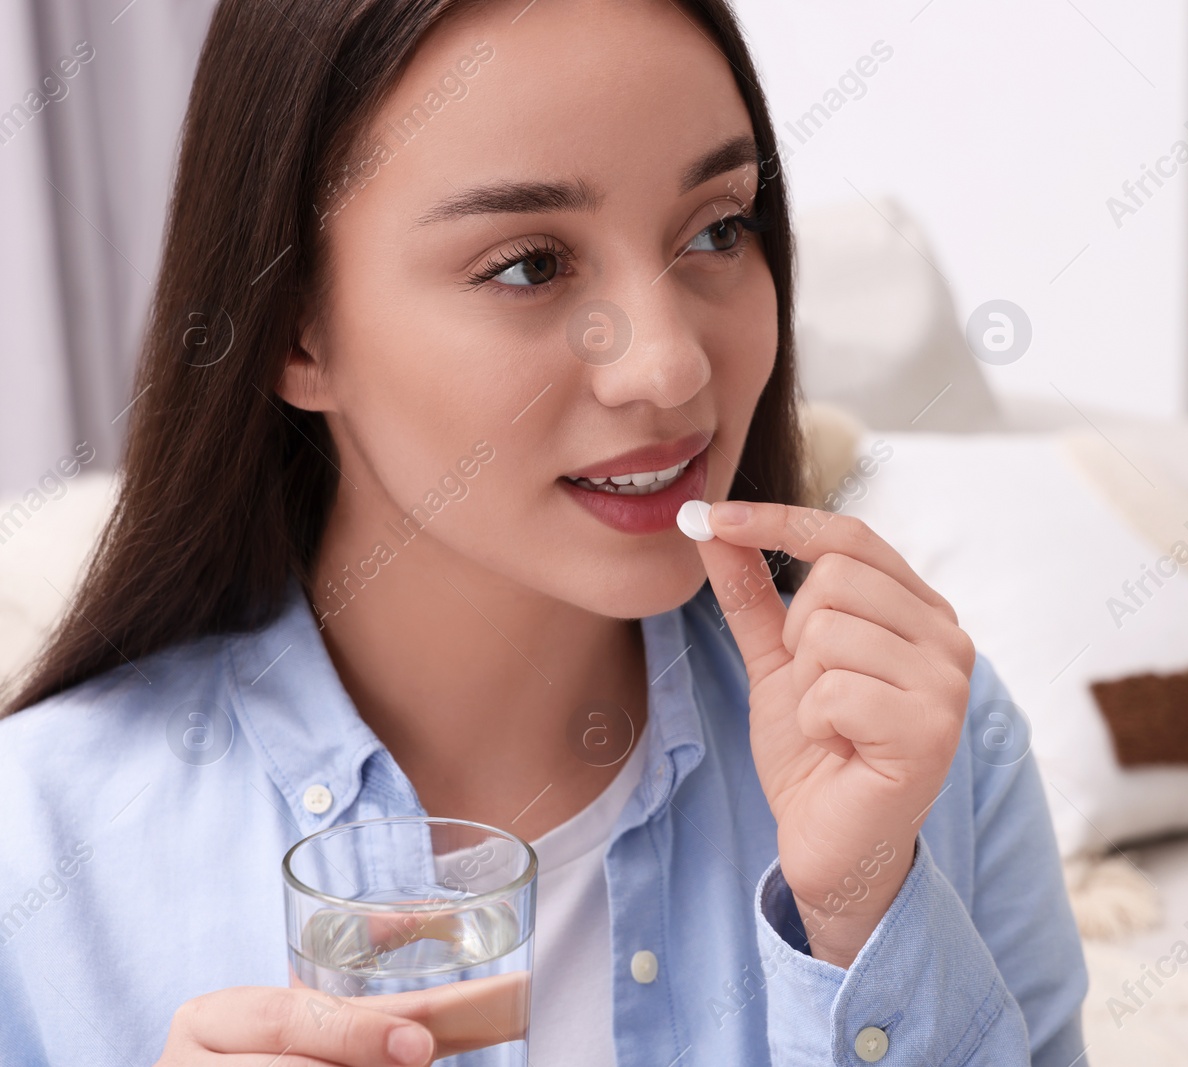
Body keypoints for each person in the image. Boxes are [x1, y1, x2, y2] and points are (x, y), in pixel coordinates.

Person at [0, 0, 1090, 1063]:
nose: (669, 363)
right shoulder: (38, 851)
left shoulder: (932, 758)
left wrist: (863, 926)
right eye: (528, 264)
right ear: (295, 330)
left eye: (717, 228)